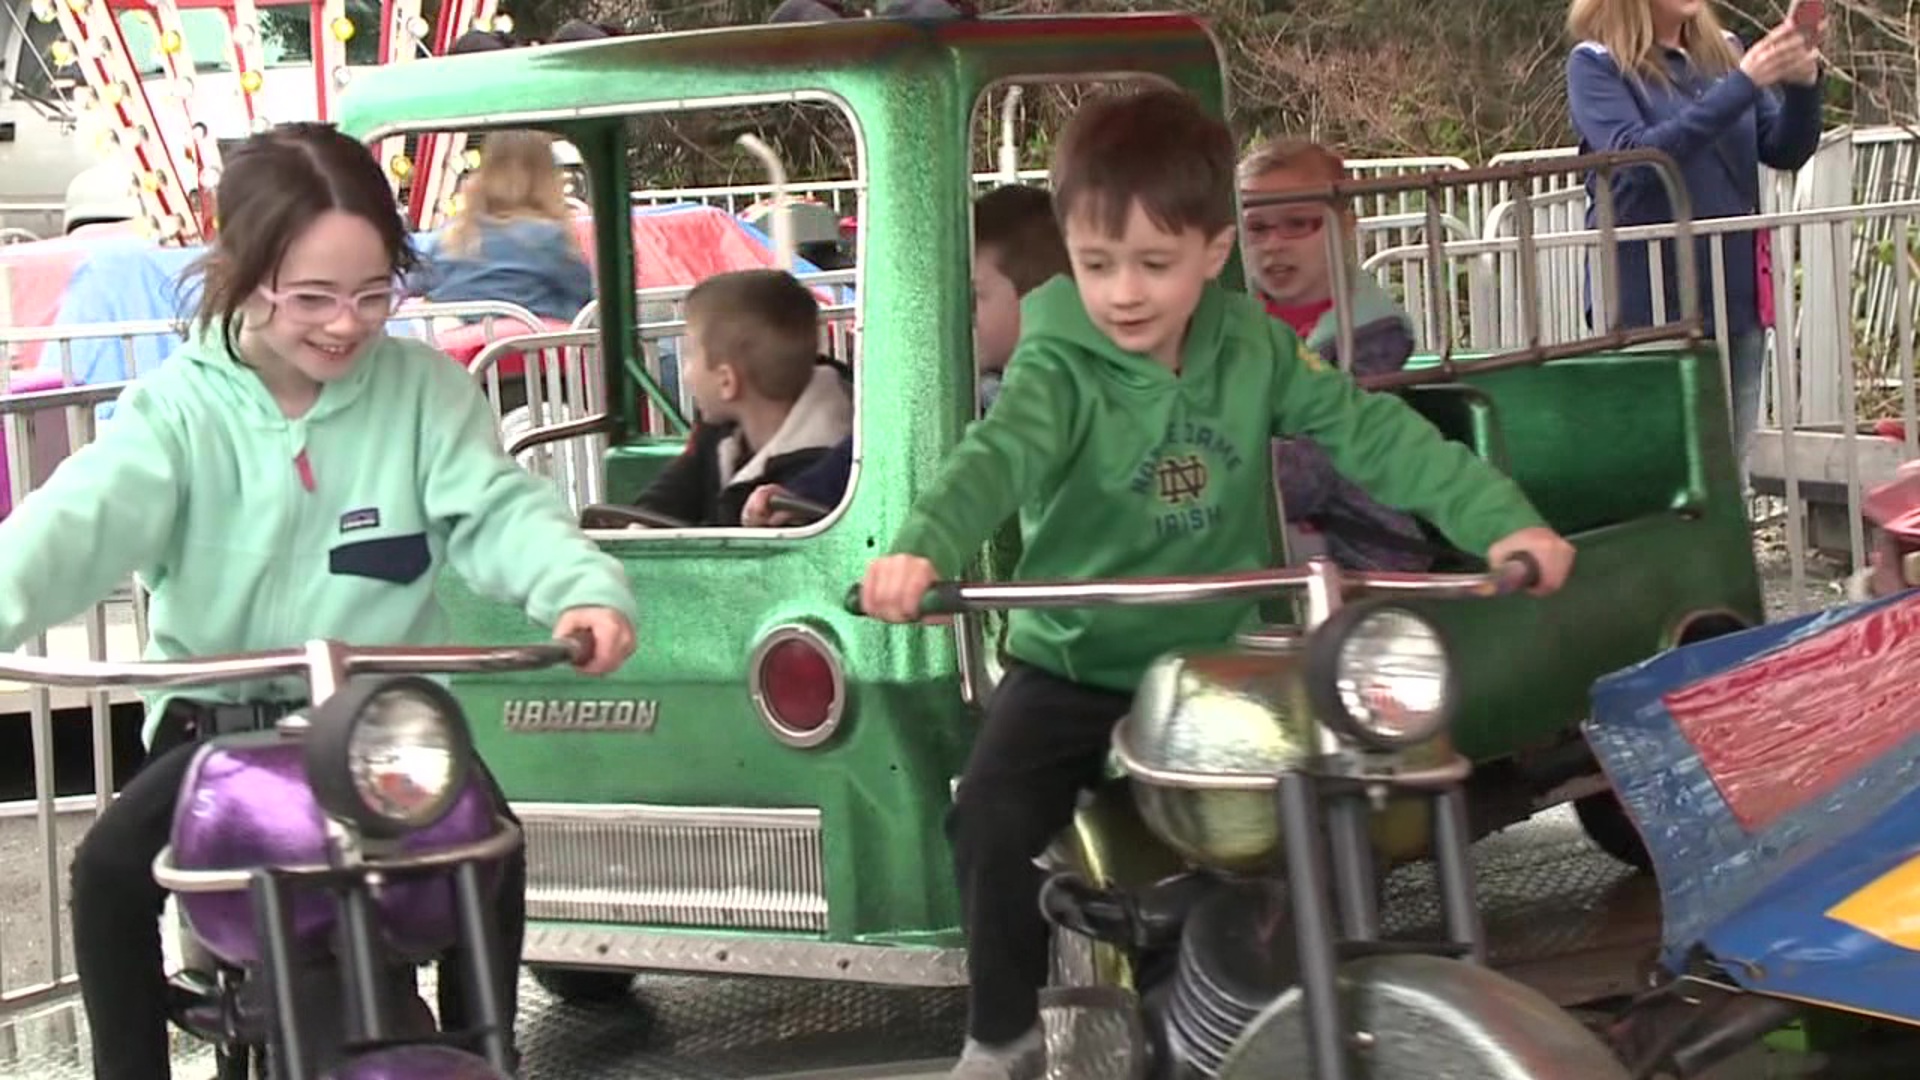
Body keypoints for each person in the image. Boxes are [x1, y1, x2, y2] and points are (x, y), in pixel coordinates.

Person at [856, 86, 1577, 1080]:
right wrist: (922, 548)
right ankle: (1003, 1033)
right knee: (988, 813)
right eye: (1098, 264)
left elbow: (1372, 435)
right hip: (1081, 658)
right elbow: (996, 460)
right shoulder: (1058, 362)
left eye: (1154, 264)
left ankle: (1328, 985)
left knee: (1347, 785)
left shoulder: (1254, 347)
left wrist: (1506, 523)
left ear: (1211, 252)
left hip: (1219, 656)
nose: (1123, 293)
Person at [0, 123, 639, 1080]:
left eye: (373, 293)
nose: (345, 323)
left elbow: (497, 508)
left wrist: (579, 588)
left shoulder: (426, 395)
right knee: (107, 873)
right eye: (312, 296)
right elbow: (75, 525)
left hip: (387, 737)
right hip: (220, 733)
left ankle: (485, 1053)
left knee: (492, 851)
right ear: (244, 275)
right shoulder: (176, 411)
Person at [1566, 0, 1824, 474]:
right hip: (1647, 303)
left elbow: (1783, 148)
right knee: (1658, 474)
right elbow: (1638, 159)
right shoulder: (1596, 62)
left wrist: (1803, 84)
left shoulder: (1722, 53)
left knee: (1730, 471)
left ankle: (1731, 550)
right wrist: (1744, 83)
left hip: (1735, 295)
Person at [740, 184, 1070, 527]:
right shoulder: (962, 390)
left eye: (975, 296)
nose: (959, 311)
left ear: (1038, 297)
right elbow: (883, 454)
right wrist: (802, 495)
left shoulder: (1069, 396)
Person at [1239, 137, 1434, 571]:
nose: (1274, 244)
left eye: (1297, 223)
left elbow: (1321, 460)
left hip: (1355, 542)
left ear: (1345, 225)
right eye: (1257, 228)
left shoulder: (1371, 335)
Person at [628, 269, 852, 526]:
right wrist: (638, 526)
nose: (686, 374)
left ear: (726, 381)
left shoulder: (819, 471)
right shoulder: (718, 431)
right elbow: (668, 496)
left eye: (690, 355)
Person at [408, 129, 596, 326]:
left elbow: (413, 273)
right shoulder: (548, 238)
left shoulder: (451, 237)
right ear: (546, 175)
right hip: (536, 350)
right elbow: (587, 298)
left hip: (458, 353)